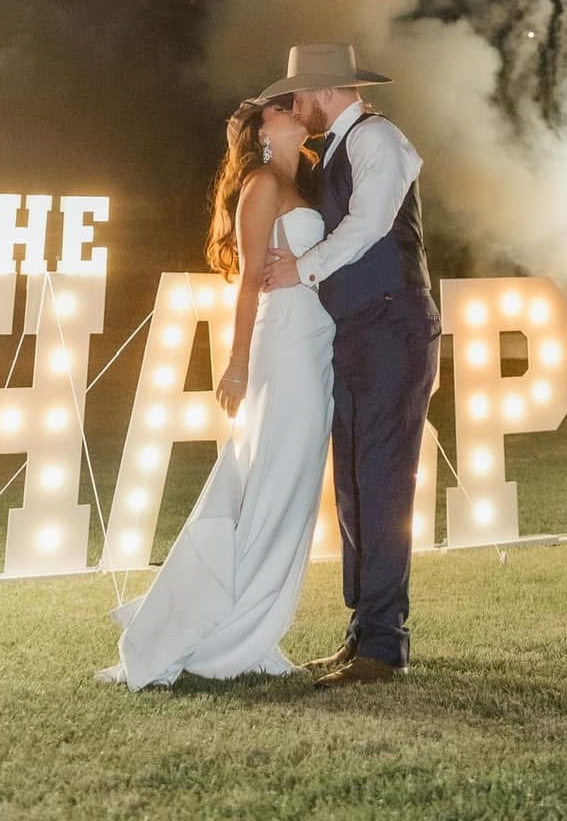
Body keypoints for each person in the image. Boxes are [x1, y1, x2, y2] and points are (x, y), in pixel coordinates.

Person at [96, 97, 333, 688]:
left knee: (288, 489)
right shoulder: (261, 183)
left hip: (314, 342)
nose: (295, 110)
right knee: (275, 486)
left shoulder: (295, 179)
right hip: (285, 349)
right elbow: (250, 279)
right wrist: (236, 364)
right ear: (261, 133)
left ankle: (256, 629)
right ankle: (239, 636)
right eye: (282, 110)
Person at [259, 42, 441, 688]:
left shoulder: (378, 138)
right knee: (355, 489)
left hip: (393, 327)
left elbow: (368, 225)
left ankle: (384, 647)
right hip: (359, 331)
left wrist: (301, 269)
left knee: (383, 486)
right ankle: (364, 632)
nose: (294, 103)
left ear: (324, 90)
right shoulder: (337, 148)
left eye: (299, 93)